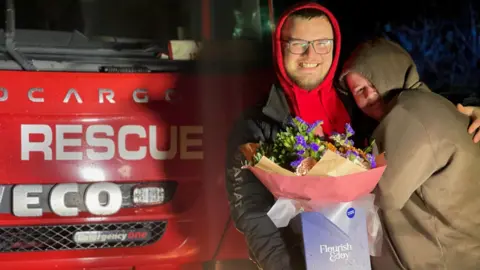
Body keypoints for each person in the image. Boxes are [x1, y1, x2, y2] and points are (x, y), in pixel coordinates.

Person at [225, 2, 354, 270]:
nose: (311, 54)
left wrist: (466, 118)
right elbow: (252, 212)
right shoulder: (256, 124)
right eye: (298, 44)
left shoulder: (359, 108)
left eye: (322, 43)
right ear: (280, 48)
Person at [340, 38, 480, 269]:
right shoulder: (431, 103)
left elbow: (385, 191)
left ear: (394, 71)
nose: (368, 94)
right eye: (359, 90)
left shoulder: (410, 110)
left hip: (444, 259)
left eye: (373, 82)